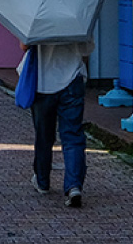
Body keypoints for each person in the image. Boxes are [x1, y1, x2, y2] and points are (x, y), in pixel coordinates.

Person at [23, 37, 95, 207]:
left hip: (43, 82)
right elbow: (86, 49)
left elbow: (24, 45)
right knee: (73, 136)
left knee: (44, 135)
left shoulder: (36, 21)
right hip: (72, 79)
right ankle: (73, 186)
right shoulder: (77, 20)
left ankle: (42, 181)